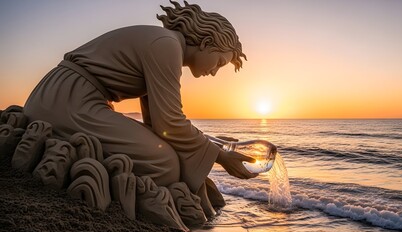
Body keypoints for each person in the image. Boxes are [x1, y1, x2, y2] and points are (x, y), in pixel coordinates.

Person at [23, 0, 256, 217]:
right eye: (219, 63)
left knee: (164, 152)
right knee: (164, 164)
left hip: (65, 95)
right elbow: (170, 123)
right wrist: (220, 156)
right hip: (66, 101)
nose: (214, 72)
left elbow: (157, 125)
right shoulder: (167, 46)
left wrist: (209, 143)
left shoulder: (166, 44)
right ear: (206, 44)